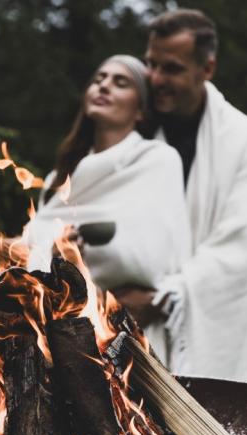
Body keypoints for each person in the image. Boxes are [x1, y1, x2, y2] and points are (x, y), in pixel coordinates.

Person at [113, 10, 247, 388]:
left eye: (172, 68)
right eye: (150, 64)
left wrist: (163, 297)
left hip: (224, 337)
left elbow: (240, 249)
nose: (156, 79)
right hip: (136, 334)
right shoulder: (137, 138)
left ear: (207, 68)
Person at [26, 55, 190, 337]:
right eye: (98, 80)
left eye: (120, 82)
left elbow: (157, 255)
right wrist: (57, 253)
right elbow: (31, 253)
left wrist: (98, 254)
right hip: (64, 327)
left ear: (140, 110)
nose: (104, 86)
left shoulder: (157, 160)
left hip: (130, 329)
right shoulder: (59, 178)